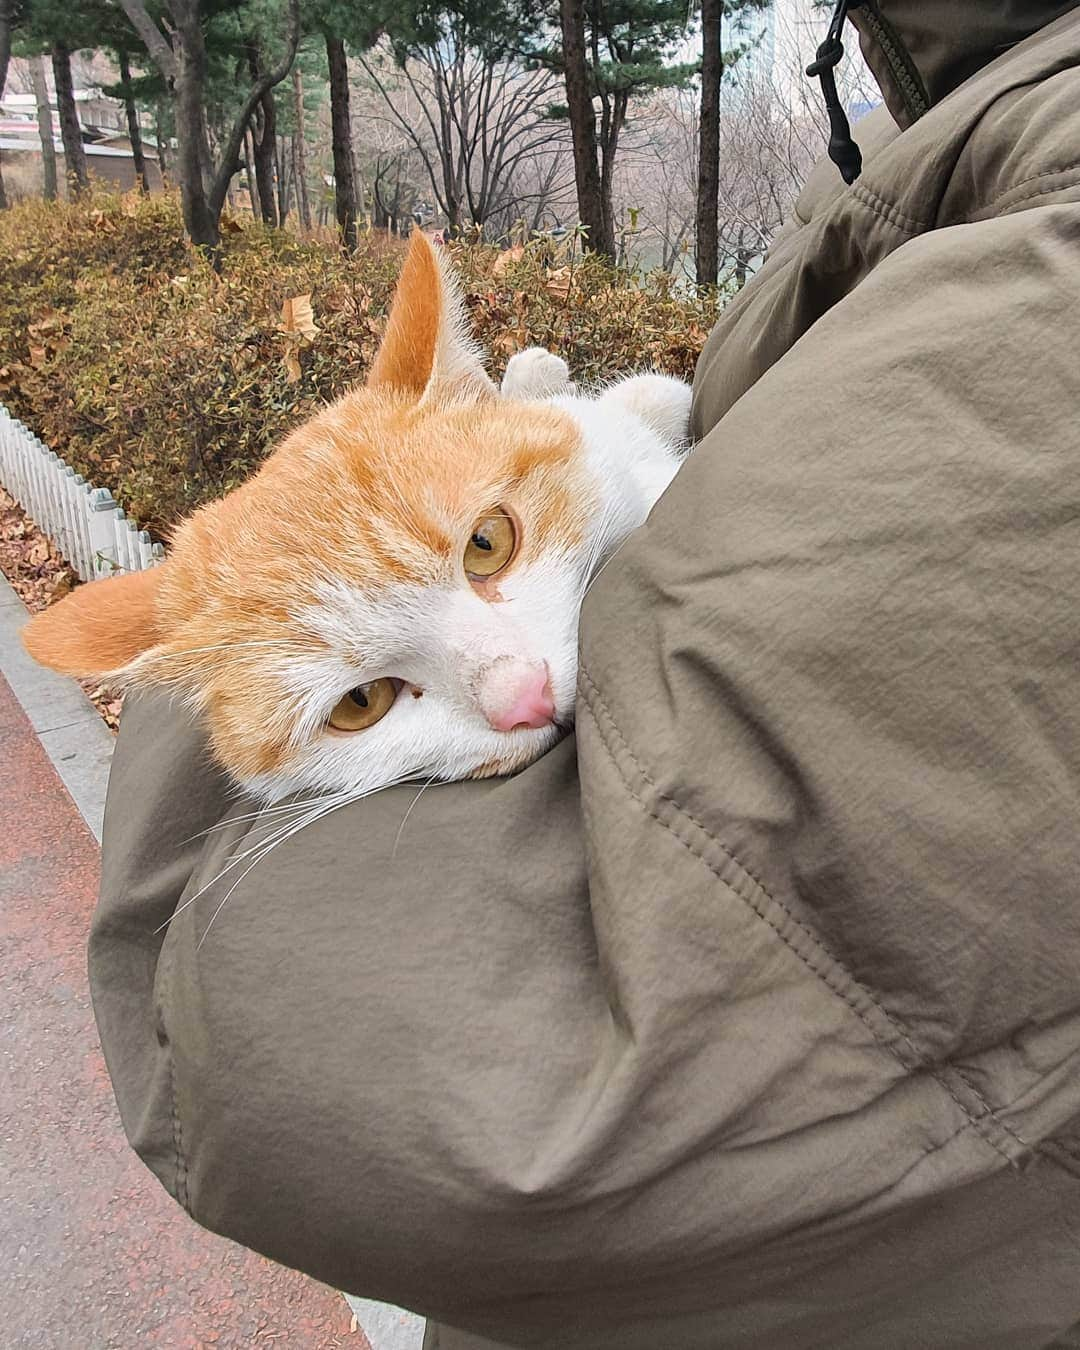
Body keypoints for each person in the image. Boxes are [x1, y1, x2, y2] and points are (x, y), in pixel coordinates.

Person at [90, 4, 1080, 1347]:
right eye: (371, 701)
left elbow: (279, 1058)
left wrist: (234, 642)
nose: (515, 702)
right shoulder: (918, 104)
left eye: (488, 547)